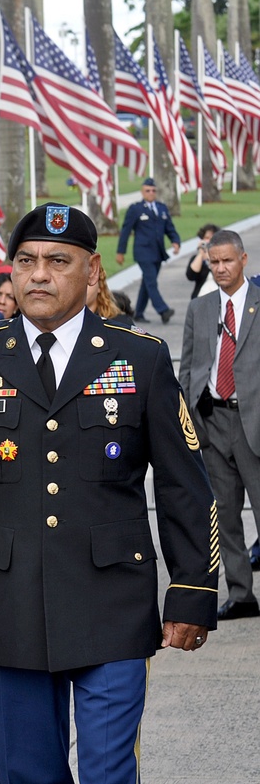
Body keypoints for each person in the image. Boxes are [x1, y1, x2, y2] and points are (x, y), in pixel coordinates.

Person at [0, 203, 217, 784]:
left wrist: (191, 589)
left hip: (112, 601)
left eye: (58, 261)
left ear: (93, 271)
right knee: (29, 774)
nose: (39, 275)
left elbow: (184, 484)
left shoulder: (140, 358)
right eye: (25, 261)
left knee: (107, 772)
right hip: (9, 602)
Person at [179, 228, 260, 621]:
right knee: (224, 515)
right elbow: (189, 365)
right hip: (212, 422)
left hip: (254, 420)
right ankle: (241, 594)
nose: (221, 268)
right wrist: (189, 420)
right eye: (214, 262)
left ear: (244, 259)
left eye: (228, 261)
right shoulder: (201, 307)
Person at [116, 177, 181, 323]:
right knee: (151, 282)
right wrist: (121, 252)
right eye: (148, 190)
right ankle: (163, 310)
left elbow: (169, 228)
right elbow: (126, 231)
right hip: (143, 252)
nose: (151, 193)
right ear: (142, 192)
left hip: (158, 252)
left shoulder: (162, 208)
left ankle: (138, 313)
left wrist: (175, 241)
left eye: (153, 191)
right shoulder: (135, 209)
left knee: (147, 283)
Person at [186, 223, 219, 299]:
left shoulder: (221, 259)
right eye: (206, 238)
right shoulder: (196, 258)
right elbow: (191, 275)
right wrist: (201, 253)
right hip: (200, 297)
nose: (209, 241)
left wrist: (210, 258)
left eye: (212, 238)